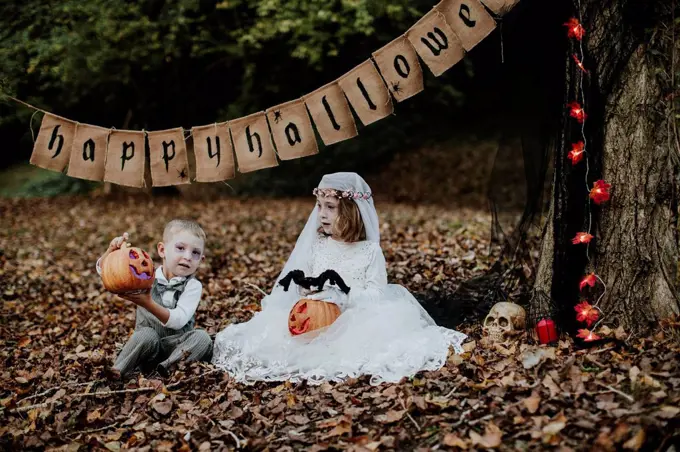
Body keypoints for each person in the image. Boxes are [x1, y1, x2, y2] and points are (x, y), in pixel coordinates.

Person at [212, 173, 467, 385]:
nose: (322, 214)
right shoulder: (319, 247)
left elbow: (377, 293)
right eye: (320, 206)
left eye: (330, 208)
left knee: (373, 351)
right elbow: (308, 280)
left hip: (356, 319)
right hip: (315, 320)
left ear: (351, 211)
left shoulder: (369, 251)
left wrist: (344, 297)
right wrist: (307, 290)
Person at [96, 220, 213, 379]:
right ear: (162, 250)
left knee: (202, 338)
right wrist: (110, 252)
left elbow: (178, 320)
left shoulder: (193, 286)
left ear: (201, 260)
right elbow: (109, 273)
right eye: (180, 248)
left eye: (195, 253)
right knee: (145, 334)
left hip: (177, 347)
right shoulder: (144, 275)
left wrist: (147, 303)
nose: (187, 257)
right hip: (148, 348)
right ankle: (119, 369)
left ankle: (167, 369)